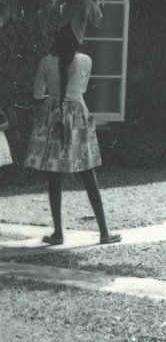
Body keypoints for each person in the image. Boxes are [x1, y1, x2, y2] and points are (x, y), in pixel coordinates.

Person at [24, 24, 120, 245]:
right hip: (77, 115)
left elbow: (38, 94)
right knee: (88, 173)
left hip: (54, 115)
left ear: (56, 41)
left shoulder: (46, 62)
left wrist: (55, 94)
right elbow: (82, 89)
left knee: (54, 176)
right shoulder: (85, 60)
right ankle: (104, 231)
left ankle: (58, 233)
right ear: (76, 41)